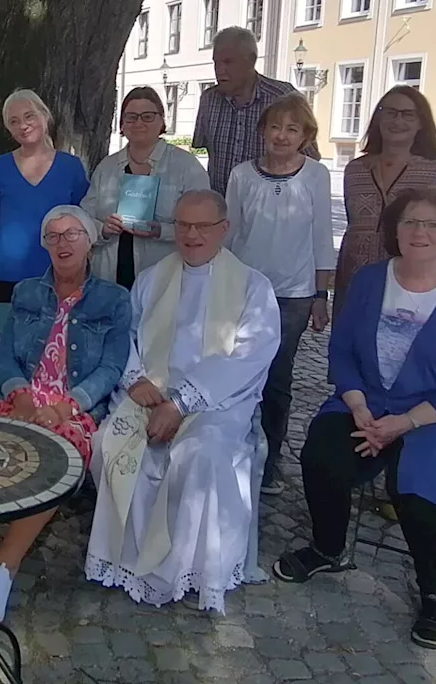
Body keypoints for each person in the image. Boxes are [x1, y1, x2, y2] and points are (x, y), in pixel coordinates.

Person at [273, 186, 436, 651]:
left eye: (435, 223)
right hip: (368, 401)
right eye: (411, 222)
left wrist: (404, 423)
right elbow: (341, 352)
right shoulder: (372, 279)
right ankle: (328, 548)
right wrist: (359, 406)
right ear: (395, 230)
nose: (421, 231)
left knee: (418, 479)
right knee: (323, 454)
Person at [86, 190, 281, 614]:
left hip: (217, 401)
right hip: (151, 391)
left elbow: (248, 358)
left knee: (200, 454)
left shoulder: (253, 287)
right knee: (108, 446)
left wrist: (181, 403)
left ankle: (186, 567)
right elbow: (128, 336)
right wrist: (136, 381)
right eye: (184, 225)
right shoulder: (154, 278)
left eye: (203, 226)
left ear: (223, 229)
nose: (191, 235)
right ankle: (127, 558)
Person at [0, 206, 131, 623]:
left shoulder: (114, 299)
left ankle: (3, 569)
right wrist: (21, 397)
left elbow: (112, 367)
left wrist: (64, 407)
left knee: (55, 462)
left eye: (72, 234)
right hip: (21, 399)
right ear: (45, 245)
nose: (63, 243)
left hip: (75, 410)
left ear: (89, 242)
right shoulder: (26, 292)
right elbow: (5, 354)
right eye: (53, 236)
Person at [225, 94, 334, 495]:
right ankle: (233, 446)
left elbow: (322, 237)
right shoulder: (242, 175)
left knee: (277, 377)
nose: (282, 136)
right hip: (244, 290)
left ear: (305, 135)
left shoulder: (315, 176)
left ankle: (269, 458)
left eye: (293, 129)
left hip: (293, 294)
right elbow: (230, 233)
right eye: (275, 127)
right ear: (262, 131)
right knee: (236, 369)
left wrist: (321, 294)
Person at [335, 86, 436, 317]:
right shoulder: (355, 169)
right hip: (355, 280)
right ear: (378, 118)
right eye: (390, 112)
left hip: (412, 281)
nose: (398, 120)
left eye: (408, 114)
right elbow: (354, 225)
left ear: (421, 122)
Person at [0, 89, 90, 303]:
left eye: (29, 116)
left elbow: (85, 224)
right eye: (14, 121)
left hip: (57, 277)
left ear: (44, 115)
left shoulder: (71, 167)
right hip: (2, 278)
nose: (23, 125)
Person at [81, 87, 208, 289]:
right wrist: (102, 229)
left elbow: (204, 226)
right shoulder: (107, 167)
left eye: (147, 116)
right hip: (110, 280)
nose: (139, 123)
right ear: (122, 123)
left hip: (164, 281)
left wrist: (162, 230)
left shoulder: (186, 167)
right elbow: (84, 219)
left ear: (161, 121)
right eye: (131, 117)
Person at [192, 27, 319, 196]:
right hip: (221, 210)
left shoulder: (283, 97)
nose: (220, 70)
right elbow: (203, 149)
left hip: (269, 208)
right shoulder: (209, 100)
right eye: (216, 62)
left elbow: (310, 158)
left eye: (228, 62)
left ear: (251, 61)